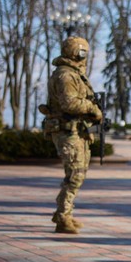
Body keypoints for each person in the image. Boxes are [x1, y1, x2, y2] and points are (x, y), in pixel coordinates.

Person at [42, 36, 103, 234]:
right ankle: (62, 216)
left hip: (77, 131)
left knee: (78, 174)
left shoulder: (75, 74)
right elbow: (69, 103)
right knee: (75, 175)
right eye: (82, 52)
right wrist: (92, 109)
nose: (84, 56)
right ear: (73, 52)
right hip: (67, 131)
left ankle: (65, 213)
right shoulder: (66, 75)